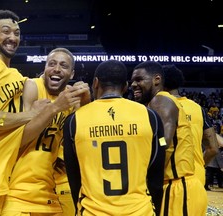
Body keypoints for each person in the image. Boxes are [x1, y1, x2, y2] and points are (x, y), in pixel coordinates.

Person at [0, 10, 85, 216]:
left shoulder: (21, 80)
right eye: (5, 31)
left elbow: (26, 130)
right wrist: (40, 112)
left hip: (1, 174)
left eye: (17, 33)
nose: (12, 37)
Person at [63, 60, 166, 216]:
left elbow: (73, 177)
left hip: (93, 211)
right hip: (139, 211)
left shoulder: (74, 120)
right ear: (125, 86)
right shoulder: (150, 116)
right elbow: (156, 177)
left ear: (95, 83)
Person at [1, 47, 91, 215]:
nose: (57, 69)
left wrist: (86, 104)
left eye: (64, 66)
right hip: (18, 192)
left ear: (72, 74)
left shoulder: (70, 99)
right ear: (45, 68)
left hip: (49, 192)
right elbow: (18, 140)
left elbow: (82, 145)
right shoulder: (32, 86)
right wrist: (55, 108)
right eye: (52, 64)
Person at [130, 61, 207, 216]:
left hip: (178, 187)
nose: (133, 84)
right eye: (132, 80)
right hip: (177, 186)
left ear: (156, 79)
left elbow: (164, 141)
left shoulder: (161, 100)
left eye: (139, 80)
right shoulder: (154, 103)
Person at [162, 64, 219, 186]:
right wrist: (199, 165)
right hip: (196, 177)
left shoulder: (160, 108)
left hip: (171, 177)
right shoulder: (197, 108)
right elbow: (213, 148)